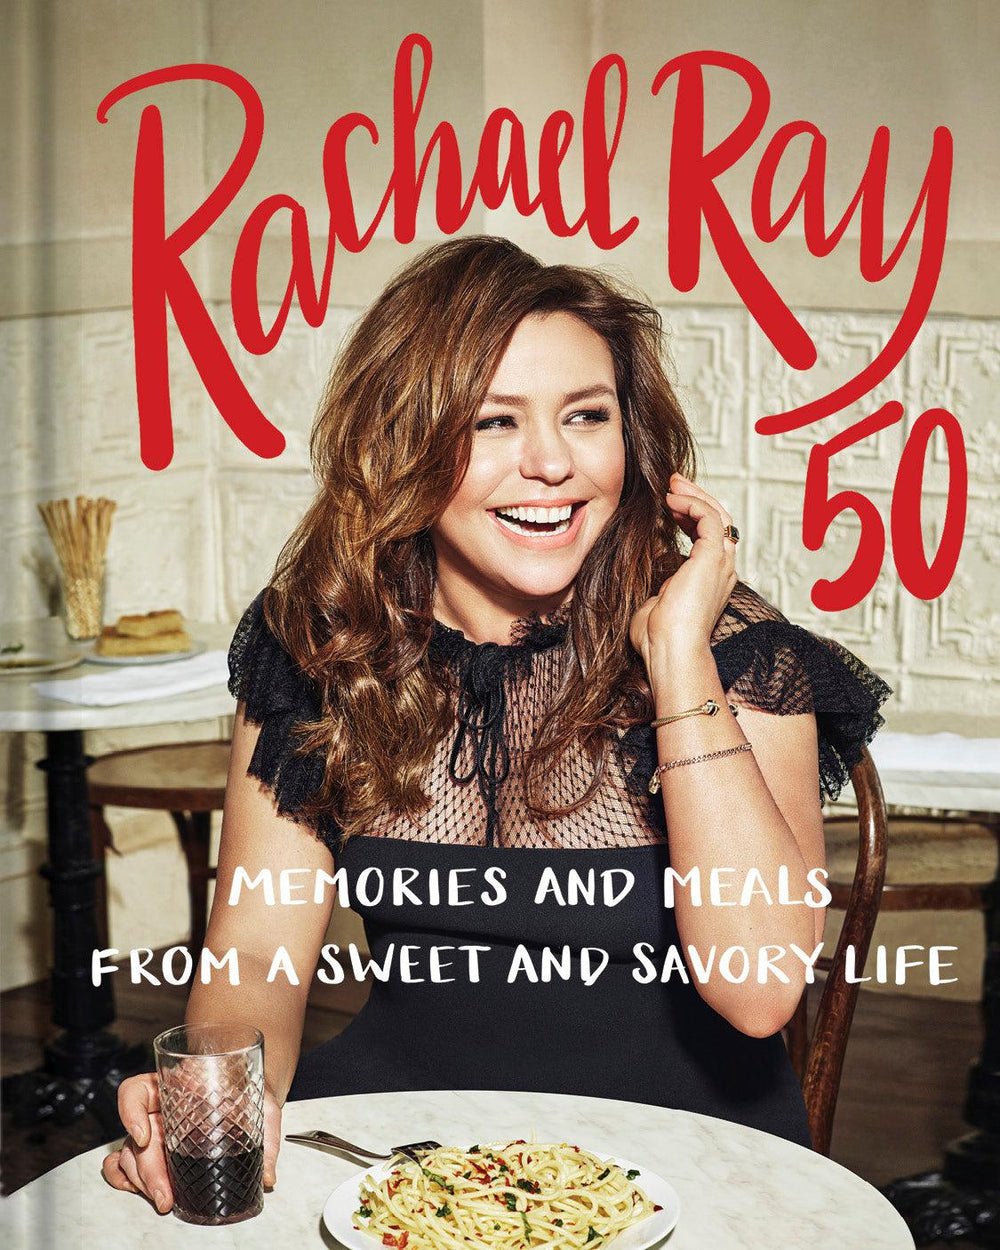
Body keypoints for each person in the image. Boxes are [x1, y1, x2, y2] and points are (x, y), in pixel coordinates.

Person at [102, 236, 890, 1211]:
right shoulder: (325, 639)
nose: (551, 463)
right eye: (493, 422)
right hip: (394, 1155)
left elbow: (761, 985)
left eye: (583, 417)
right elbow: (257, 949)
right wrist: (231, 1092)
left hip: (686, 1163)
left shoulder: (727, 648)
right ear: (405, 442)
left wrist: (678, 656)